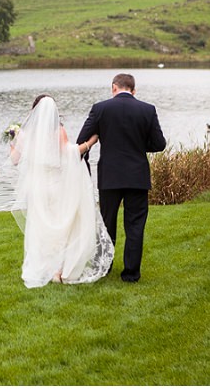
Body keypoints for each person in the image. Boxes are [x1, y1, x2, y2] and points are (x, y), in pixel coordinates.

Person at [9, 94, 114, 288]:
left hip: (38, 188)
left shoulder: (26, 134)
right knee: (61, 227)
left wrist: (12, 142)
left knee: (42, 229)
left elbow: (15, 160)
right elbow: (71, 152)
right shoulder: (58, 130)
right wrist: (91, 142)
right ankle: (58, 271)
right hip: (56, 187)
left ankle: (44, 268)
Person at [76, 74, 167, 283]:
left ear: (113, 88)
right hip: (137, 175)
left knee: (107, 222)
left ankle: (104, 268)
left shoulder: (100, 108)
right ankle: (131, 274)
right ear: (133, 90)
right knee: (135, 225)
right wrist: (138, 145)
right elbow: (159, 144)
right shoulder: (148, 109)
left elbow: (82, 140)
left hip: (110, 175)